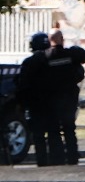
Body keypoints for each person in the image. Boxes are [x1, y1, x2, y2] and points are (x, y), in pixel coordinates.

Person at [15, 32, 64, 166]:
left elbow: (22, 84)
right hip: (54, 102)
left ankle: (42, 162)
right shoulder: (54, 60)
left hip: (35, 104)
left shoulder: (29, 62)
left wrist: (23, 103)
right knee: (54, 133)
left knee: (38, 135)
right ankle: (58, 161)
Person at [44, 29, 85, 164]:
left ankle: (56, 159)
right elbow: (84, 57)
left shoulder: (44, 57)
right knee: (69, 129)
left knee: (53, 130)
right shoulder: (71, 54)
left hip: (51, 98)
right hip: (69, 97)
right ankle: (72, 157)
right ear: (62, 39)